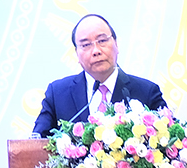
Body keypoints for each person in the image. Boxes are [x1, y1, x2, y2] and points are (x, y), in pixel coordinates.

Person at [31, 14, 166, 136]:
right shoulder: (57, 94)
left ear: (116, 44)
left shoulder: (147, 92)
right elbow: (36, 142)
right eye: (86, 45)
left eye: (102, 41)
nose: (96, 51)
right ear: (76, 53)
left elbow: (170, 138)